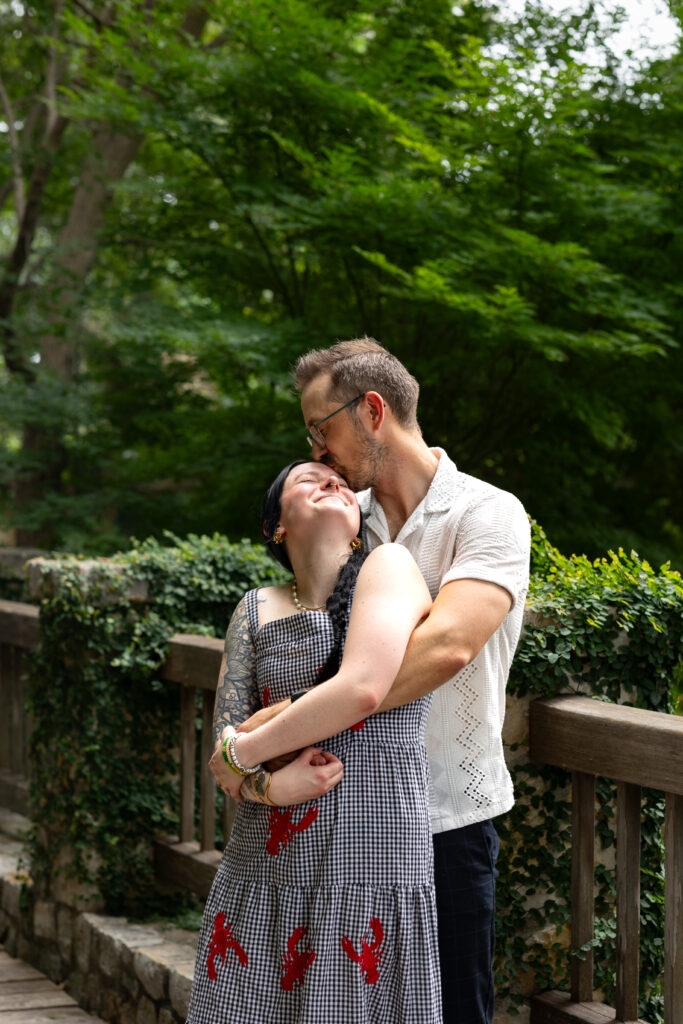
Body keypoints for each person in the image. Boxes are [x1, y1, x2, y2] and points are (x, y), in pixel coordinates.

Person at [242, 338, 531, 1024]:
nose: (315, 450)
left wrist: (284, 725)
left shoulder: (485, 513)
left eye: (321, 427)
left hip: (444, 820)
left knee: (455, 1010)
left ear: (373, 410)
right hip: (338, 813)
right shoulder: (344, 518)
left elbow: (448, 646)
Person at [186, 460, 442, 1024]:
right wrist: (275, 788)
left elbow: (361, 691)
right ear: (277, 524)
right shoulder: (254, 609)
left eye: (343, 484)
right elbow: (224, 758)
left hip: (372, 856)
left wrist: (247, 754)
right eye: (308, 479)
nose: (333, 482)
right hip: (268, 862)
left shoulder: (391, 567)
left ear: (357, 521)